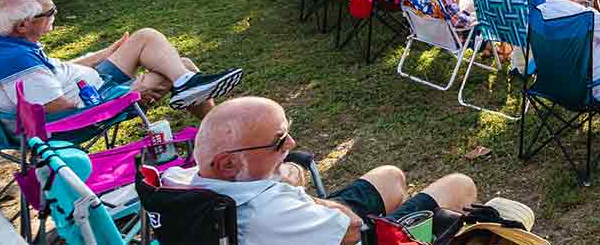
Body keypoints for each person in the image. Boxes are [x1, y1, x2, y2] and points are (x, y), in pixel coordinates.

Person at [163, 96, 478, 245]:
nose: (292, 143)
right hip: (347, 234)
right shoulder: (270, 212)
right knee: (459, 185)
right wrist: (297, 192)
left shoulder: (177, 184)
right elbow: (353, 228)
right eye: (278, 142)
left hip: (309, 227)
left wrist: (279, 175)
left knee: (390, 177)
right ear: (228, 163)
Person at [0, 0, 242, 118]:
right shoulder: (18, 62)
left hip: (89, 83)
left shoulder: (1, 45)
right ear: (24, 25)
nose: (54, 15)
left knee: (145, 37)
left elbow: (53, 72)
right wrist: (127, 95)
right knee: (179, 65)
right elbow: (59, 109)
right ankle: (221, 128)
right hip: (96, 103)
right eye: (49, 13)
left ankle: (188, 85)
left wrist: (104, 54)